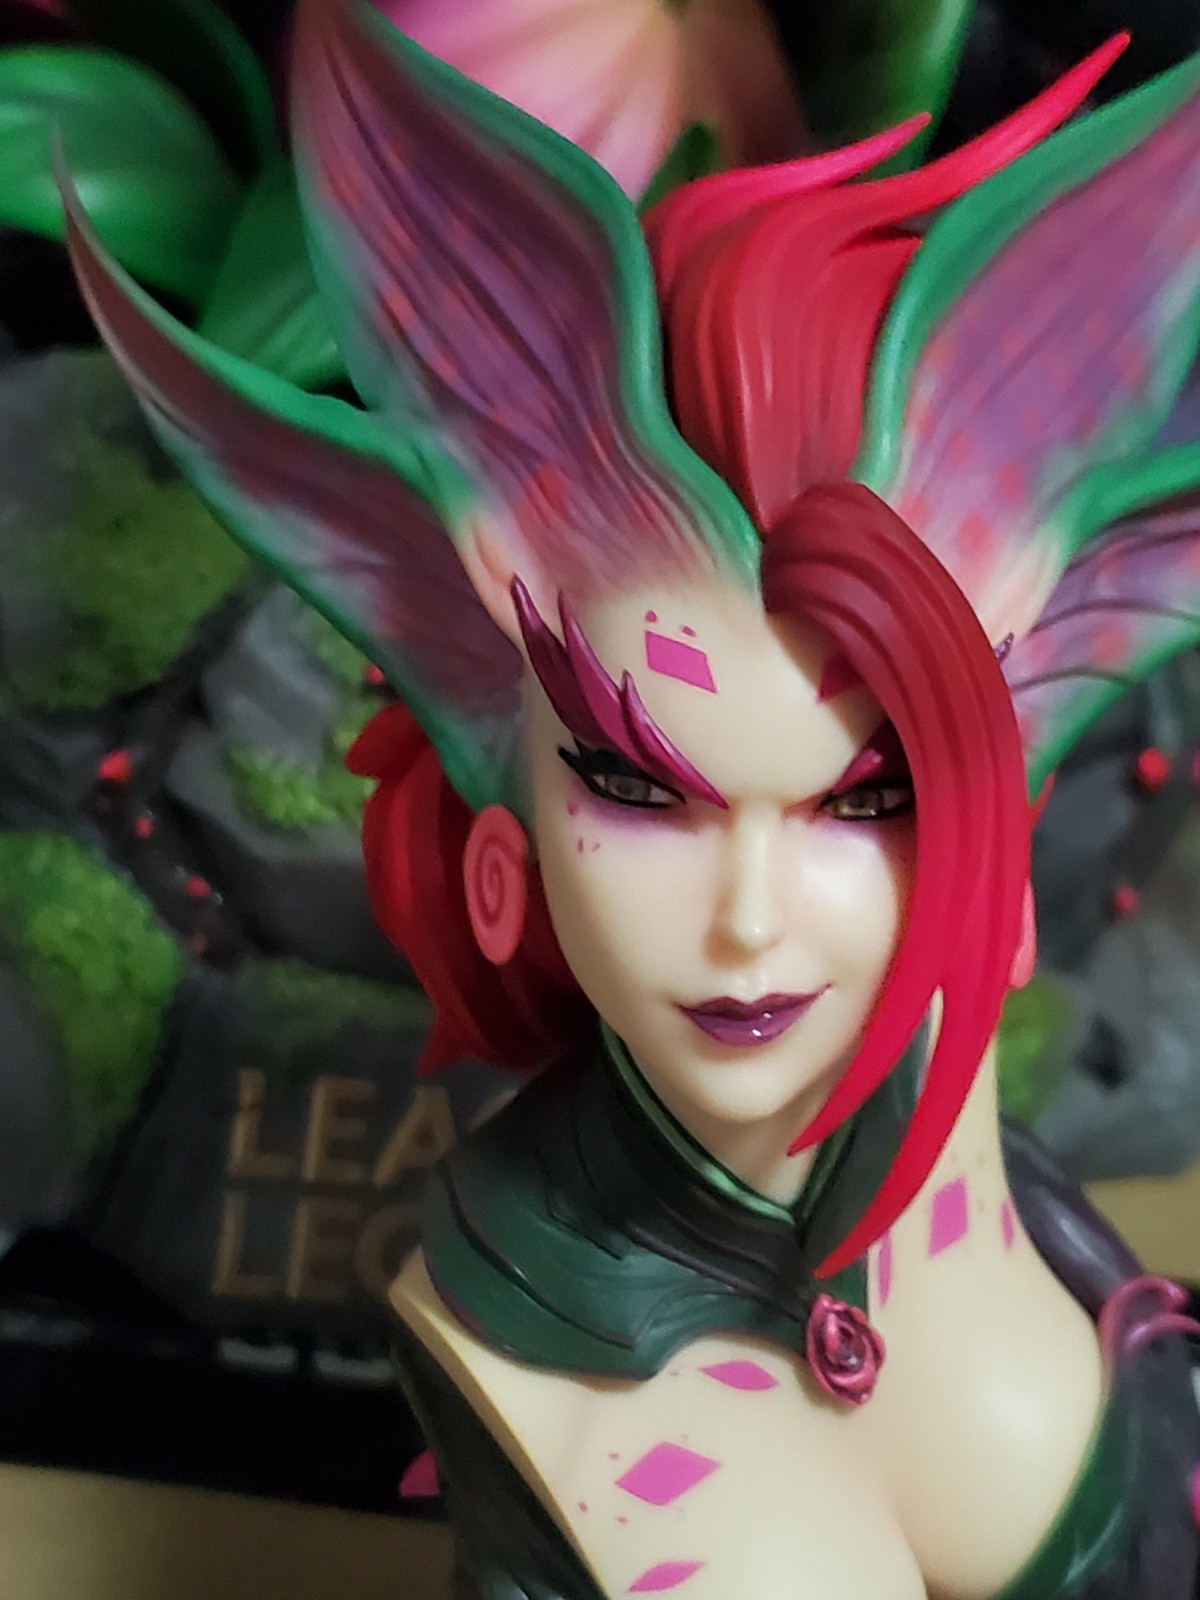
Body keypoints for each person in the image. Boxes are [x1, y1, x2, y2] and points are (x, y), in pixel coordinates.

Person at [61, 1, 1200, 1593]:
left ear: (1000, 876)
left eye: (865, 804)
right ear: (504, 868)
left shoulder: (979, 1193)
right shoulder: (534, 1361)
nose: (748, 919)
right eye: (642, 793)